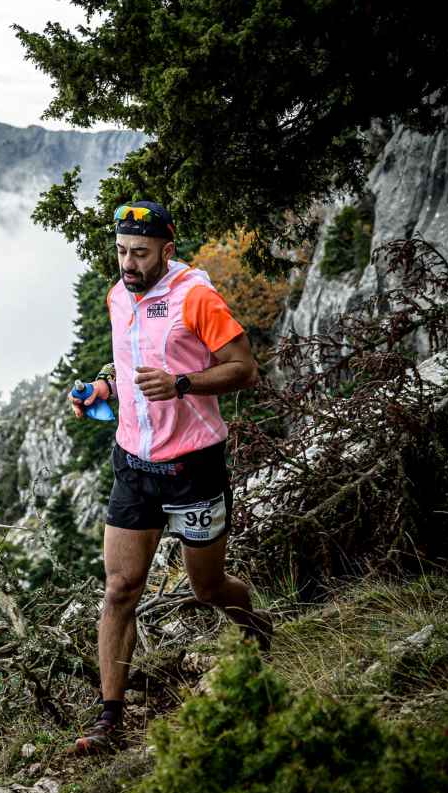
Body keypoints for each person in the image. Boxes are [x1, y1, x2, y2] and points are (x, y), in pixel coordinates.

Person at [68, 200, 271, 755]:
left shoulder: (195, 297)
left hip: (193, 465)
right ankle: (110, 722)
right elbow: (128, 359)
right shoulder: (117, 295)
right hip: (134, 463)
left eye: (139, 253)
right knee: (119, 589)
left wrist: (182, 384)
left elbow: (245, 368)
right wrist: (106, 388)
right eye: (120, 251)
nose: (128, 263)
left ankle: (257, 629)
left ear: (166, 249)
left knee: (207, 588)